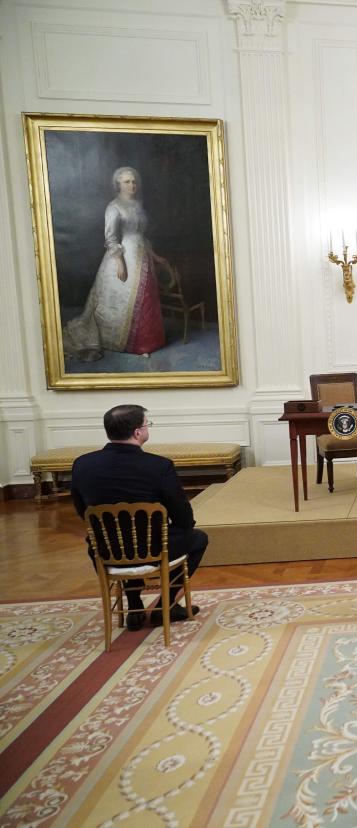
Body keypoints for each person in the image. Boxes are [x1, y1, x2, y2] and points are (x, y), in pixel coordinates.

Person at [71, 404, 207, 630]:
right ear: (137, 432)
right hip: (154, 549)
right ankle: (166, 605)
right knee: (197, 538)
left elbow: (81, 510)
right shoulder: (159, 466)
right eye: (147, 424)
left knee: (118, 539)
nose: (147, 429)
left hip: (107, 550)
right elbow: (183, 518)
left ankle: (134, 605)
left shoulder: (82, 464)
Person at [63, 167, 166, 362]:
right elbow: (110, 238)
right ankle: (129, 343)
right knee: (124, 301)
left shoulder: (137, 205)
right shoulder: (113, 207)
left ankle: (147, 342)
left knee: (146, 299)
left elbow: (141, 236)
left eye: (134, 181)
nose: (132, 185)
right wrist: (119, 262)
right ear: (118, 184)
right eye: (127, 182)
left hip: (142, 257)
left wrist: (155, 255)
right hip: (124, 257)